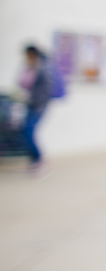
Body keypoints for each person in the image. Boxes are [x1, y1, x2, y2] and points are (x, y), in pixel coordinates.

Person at [19, 44, 53, 176]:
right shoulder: (30, 67)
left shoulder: (44, 68)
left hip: (38, 106)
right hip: (29, 104)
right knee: (25, 132)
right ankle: (35, 161)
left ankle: (39, 160)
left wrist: (33, 100)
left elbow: (46, 90)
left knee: (28, 132)